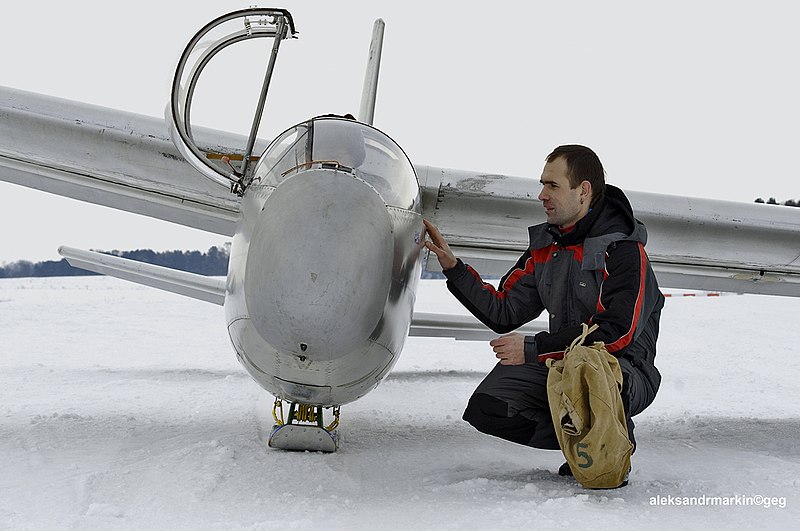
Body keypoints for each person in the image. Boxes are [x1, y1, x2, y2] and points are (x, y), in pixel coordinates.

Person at [424, 144, 664, 483]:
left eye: (552, 185)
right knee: (490, 406)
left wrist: (533, 349)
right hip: (562, 365)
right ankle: (584, 439)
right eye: (542, 184)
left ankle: (610, 440)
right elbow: (504, 311)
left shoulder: (623, 250)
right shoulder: (547, 247)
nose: (541, 195)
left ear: (583, 192)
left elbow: (617, 334)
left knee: (590, 370)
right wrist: (453, 267)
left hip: (621, 372)